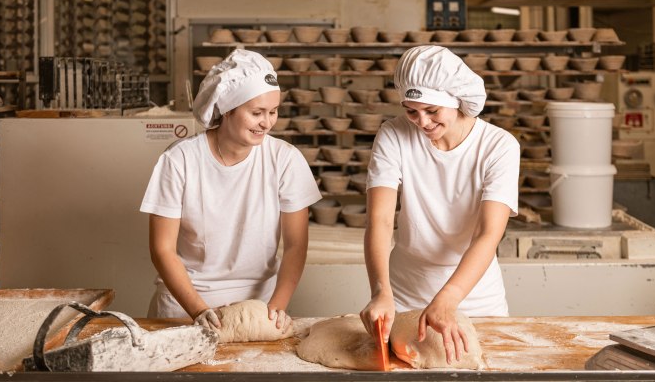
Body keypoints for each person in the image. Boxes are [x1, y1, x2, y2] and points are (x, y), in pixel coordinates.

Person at [141, 49, 321, 332]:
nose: (267, 122)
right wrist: (199, 310)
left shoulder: (285, 159)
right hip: (185, 306)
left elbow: (296, 246)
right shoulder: (180, 159)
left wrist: (277, 306)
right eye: (256, 113)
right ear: (227, 110)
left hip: (259, 307)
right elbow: (162, 249)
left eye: (273, 112)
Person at [359, 45, 519, 364]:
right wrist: (381, 291)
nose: (422, 121)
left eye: (432, 110)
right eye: (412, 110)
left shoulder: (498, 146)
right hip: (405, 293)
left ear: (455, 100)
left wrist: (449, 298)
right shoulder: (394, 135)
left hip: (475, 296)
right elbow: (378, 220)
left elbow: (488, 233)